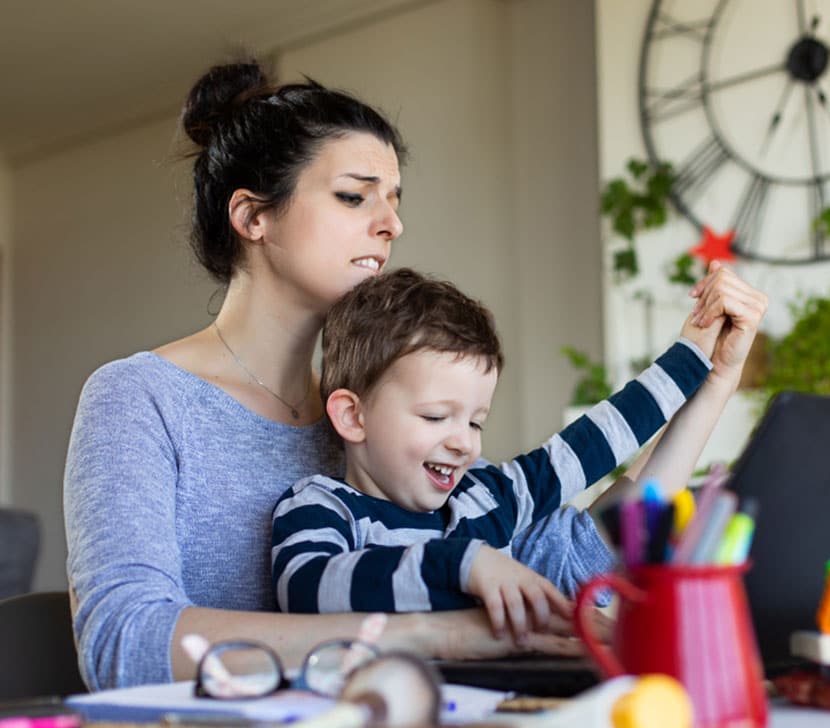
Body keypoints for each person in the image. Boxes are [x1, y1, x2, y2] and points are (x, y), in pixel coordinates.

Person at [63, 59, 768, 691]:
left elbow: (582, 562)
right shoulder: (142, 397)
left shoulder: (391, 421)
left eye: (395, 198)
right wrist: (432, 633)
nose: (390, 223)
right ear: (252, 216)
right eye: (354, 196)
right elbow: (124, 645)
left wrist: (710, 385)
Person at [271, 268, 721, 639]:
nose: (464, 442)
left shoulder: (486, 494)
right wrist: (464, 564)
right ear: (353, 416)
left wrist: (694, 356)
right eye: (434, 417)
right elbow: (307, 588)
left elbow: (594, 443)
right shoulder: (321, 506)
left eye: (475, 421)